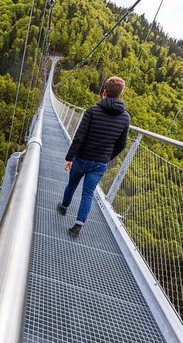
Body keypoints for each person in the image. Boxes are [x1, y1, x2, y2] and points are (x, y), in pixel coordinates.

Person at [56, 76, 130, 237]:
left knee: (72, 184)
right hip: (100, 163)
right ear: (119, 94)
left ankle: (64, 207)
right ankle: (77, 227)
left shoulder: (92, 111)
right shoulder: (125, 118)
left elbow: (79, 137)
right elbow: (121, 144)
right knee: (88, 194)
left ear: (104, 92)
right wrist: (107, 157)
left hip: (82, 158)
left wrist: (69, 157)